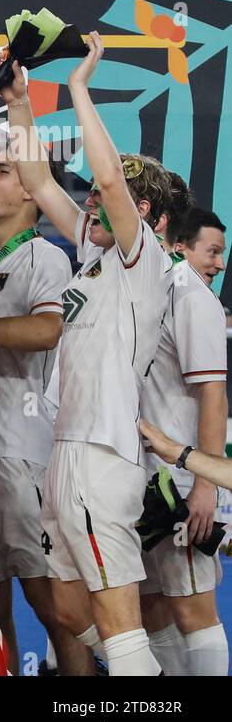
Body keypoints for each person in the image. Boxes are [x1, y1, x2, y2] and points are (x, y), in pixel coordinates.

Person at [9, 30, 172, 675]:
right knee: (69, 611)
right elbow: (37, 179)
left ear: (143, 210)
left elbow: (106, 177)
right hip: (65, 449)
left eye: (113, 197)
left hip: (103, 455)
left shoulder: (143, 262)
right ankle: (144, 677)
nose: (93, 201)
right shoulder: (94, 254)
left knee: (114, 617)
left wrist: (78, 86)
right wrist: (20, 105)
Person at [0, 70, 80, 674]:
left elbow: (47, 330)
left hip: (23, 452)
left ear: (34, 194)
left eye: (5, 172)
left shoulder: (46, 256)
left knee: (54, 604)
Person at [137, 200, 228, 675]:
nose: (220, 263)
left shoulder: (194, 298)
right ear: (177, 245)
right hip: (141, 477)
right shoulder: (149, 290)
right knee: (150, 604)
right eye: (211, 251)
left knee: (194, 607)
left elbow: (214, 396)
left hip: (178, 481)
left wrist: (205, 486)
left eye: (221, 253)